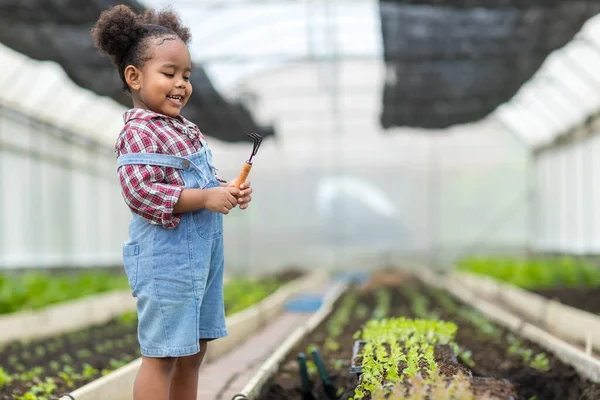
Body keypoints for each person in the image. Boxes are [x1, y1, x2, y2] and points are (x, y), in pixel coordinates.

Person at [91, 5, 253, 400]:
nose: (181, 83)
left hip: (201, 257)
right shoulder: (138, 133)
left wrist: (226, 188)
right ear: (134, 77)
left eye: (186, 75)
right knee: (162, 354)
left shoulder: (185, 129)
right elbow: (142, 193)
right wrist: (204, 197)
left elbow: (192, 180)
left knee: (194, 350)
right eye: (169, 73)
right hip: (166, 261)